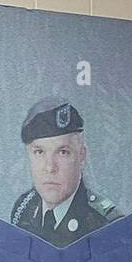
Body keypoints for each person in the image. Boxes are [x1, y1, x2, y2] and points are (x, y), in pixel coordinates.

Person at [9, 98, 122, 242]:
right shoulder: (24, 208)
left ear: (81, 156)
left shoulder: (107, 225)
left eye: (63, 152)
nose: (50, 167)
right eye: (39, 152)